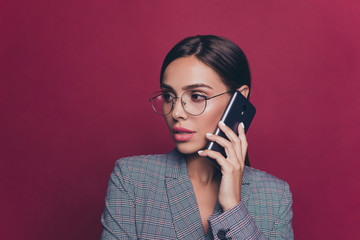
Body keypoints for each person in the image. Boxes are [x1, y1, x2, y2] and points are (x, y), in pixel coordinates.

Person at [100, 35, 294, 240]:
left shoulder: (275, 196)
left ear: (239, 99)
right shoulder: (132, 179)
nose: (176, 112)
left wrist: (233, 208)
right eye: (168, 96)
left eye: (197, 96)